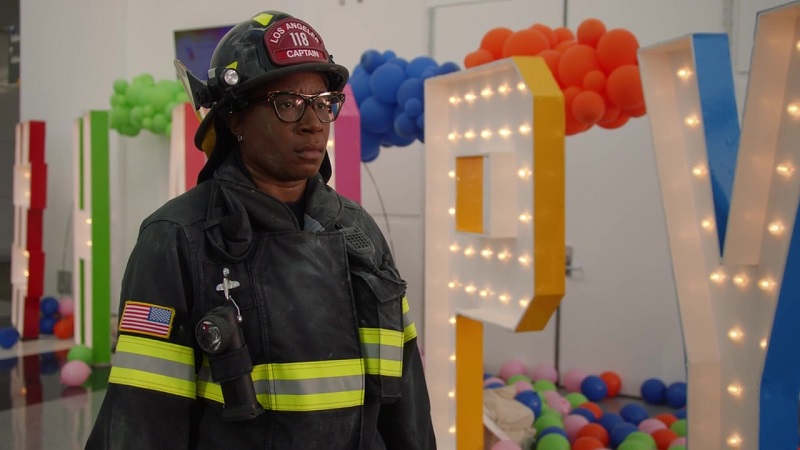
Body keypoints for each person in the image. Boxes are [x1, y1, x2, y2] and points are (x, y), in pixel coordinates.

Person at [86, 10, 436, 449]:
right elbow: (142, 421)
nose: (314, 122)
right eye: (288, 103)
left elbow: (407, 408)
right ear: (235, 121)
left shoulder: (357, 232)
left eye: (324, 102)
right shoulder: (177, 238)